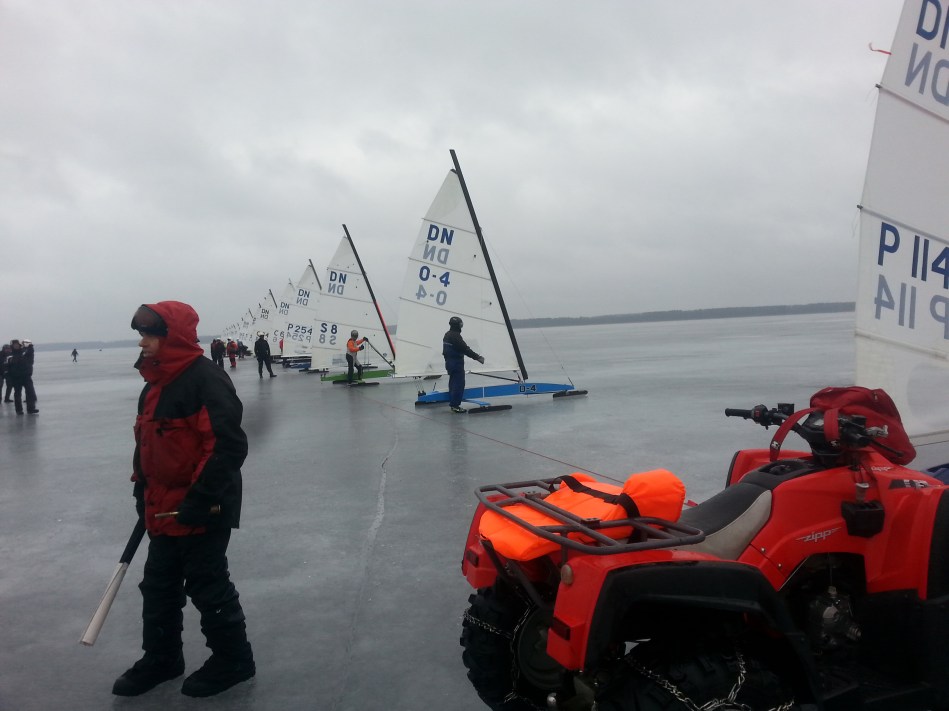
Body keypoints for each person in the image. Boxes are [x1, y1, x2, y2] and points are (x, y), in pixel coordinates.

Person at [112, 302, 254, 698]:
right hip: (162, 507)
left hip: (203, 506)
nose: (142, 343)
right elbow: (147, 445)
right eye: (142, 335)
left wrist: (199, 498)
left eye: (149, 335)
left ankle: (233, 660)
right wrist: (141, 489)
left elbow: (227, 445)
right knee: (158, 586)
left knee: (208, 585)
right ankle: (162, 658)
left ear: (170, 336)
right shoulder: (154, 386)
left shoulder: (205, 380)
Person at [442, 317, 485, 413]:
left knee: (453, 383)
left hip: (449, 363)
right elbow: (465, 349)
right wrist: (478, 357)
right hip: (456, 364)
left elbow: (445, 351)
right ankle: (455, 405)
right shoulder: (455, 336)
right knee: (458, 384)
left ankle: (453, 403)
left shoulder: (447, 334)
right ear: (458, 325)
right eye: (461, 324)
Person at [6, 339, 38, 415]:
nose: (16, 346)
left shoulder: (24, 352)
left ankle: (31, 408)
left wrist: (30, 347)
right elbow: (8, 365)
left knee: (30, 392)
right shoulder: (10, 354)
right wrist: (9, 377)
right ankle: (19, 410)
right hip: (16, 377)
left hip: (26, 376)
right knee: (17, 394)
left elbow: (30, 355)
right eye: (15, 345)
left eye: (17, 344)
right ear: (12, 346)